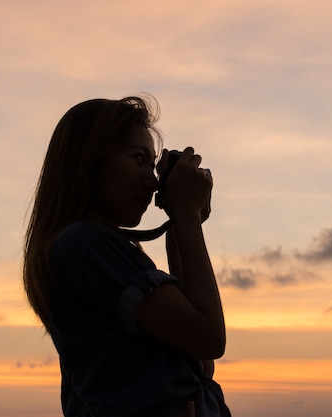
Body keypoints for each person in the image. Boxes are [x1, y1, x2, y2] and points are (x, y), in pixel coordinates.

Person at [23, 96, 230, 417]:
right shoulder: (86, 246)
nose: (151, 181)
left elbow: (200, 363)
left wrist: (181, 224)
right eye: (138, 159)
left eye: (153, 166)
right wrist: (187, 216)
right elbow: (209, 339)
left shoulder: (89, 249)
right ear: (89, 162)